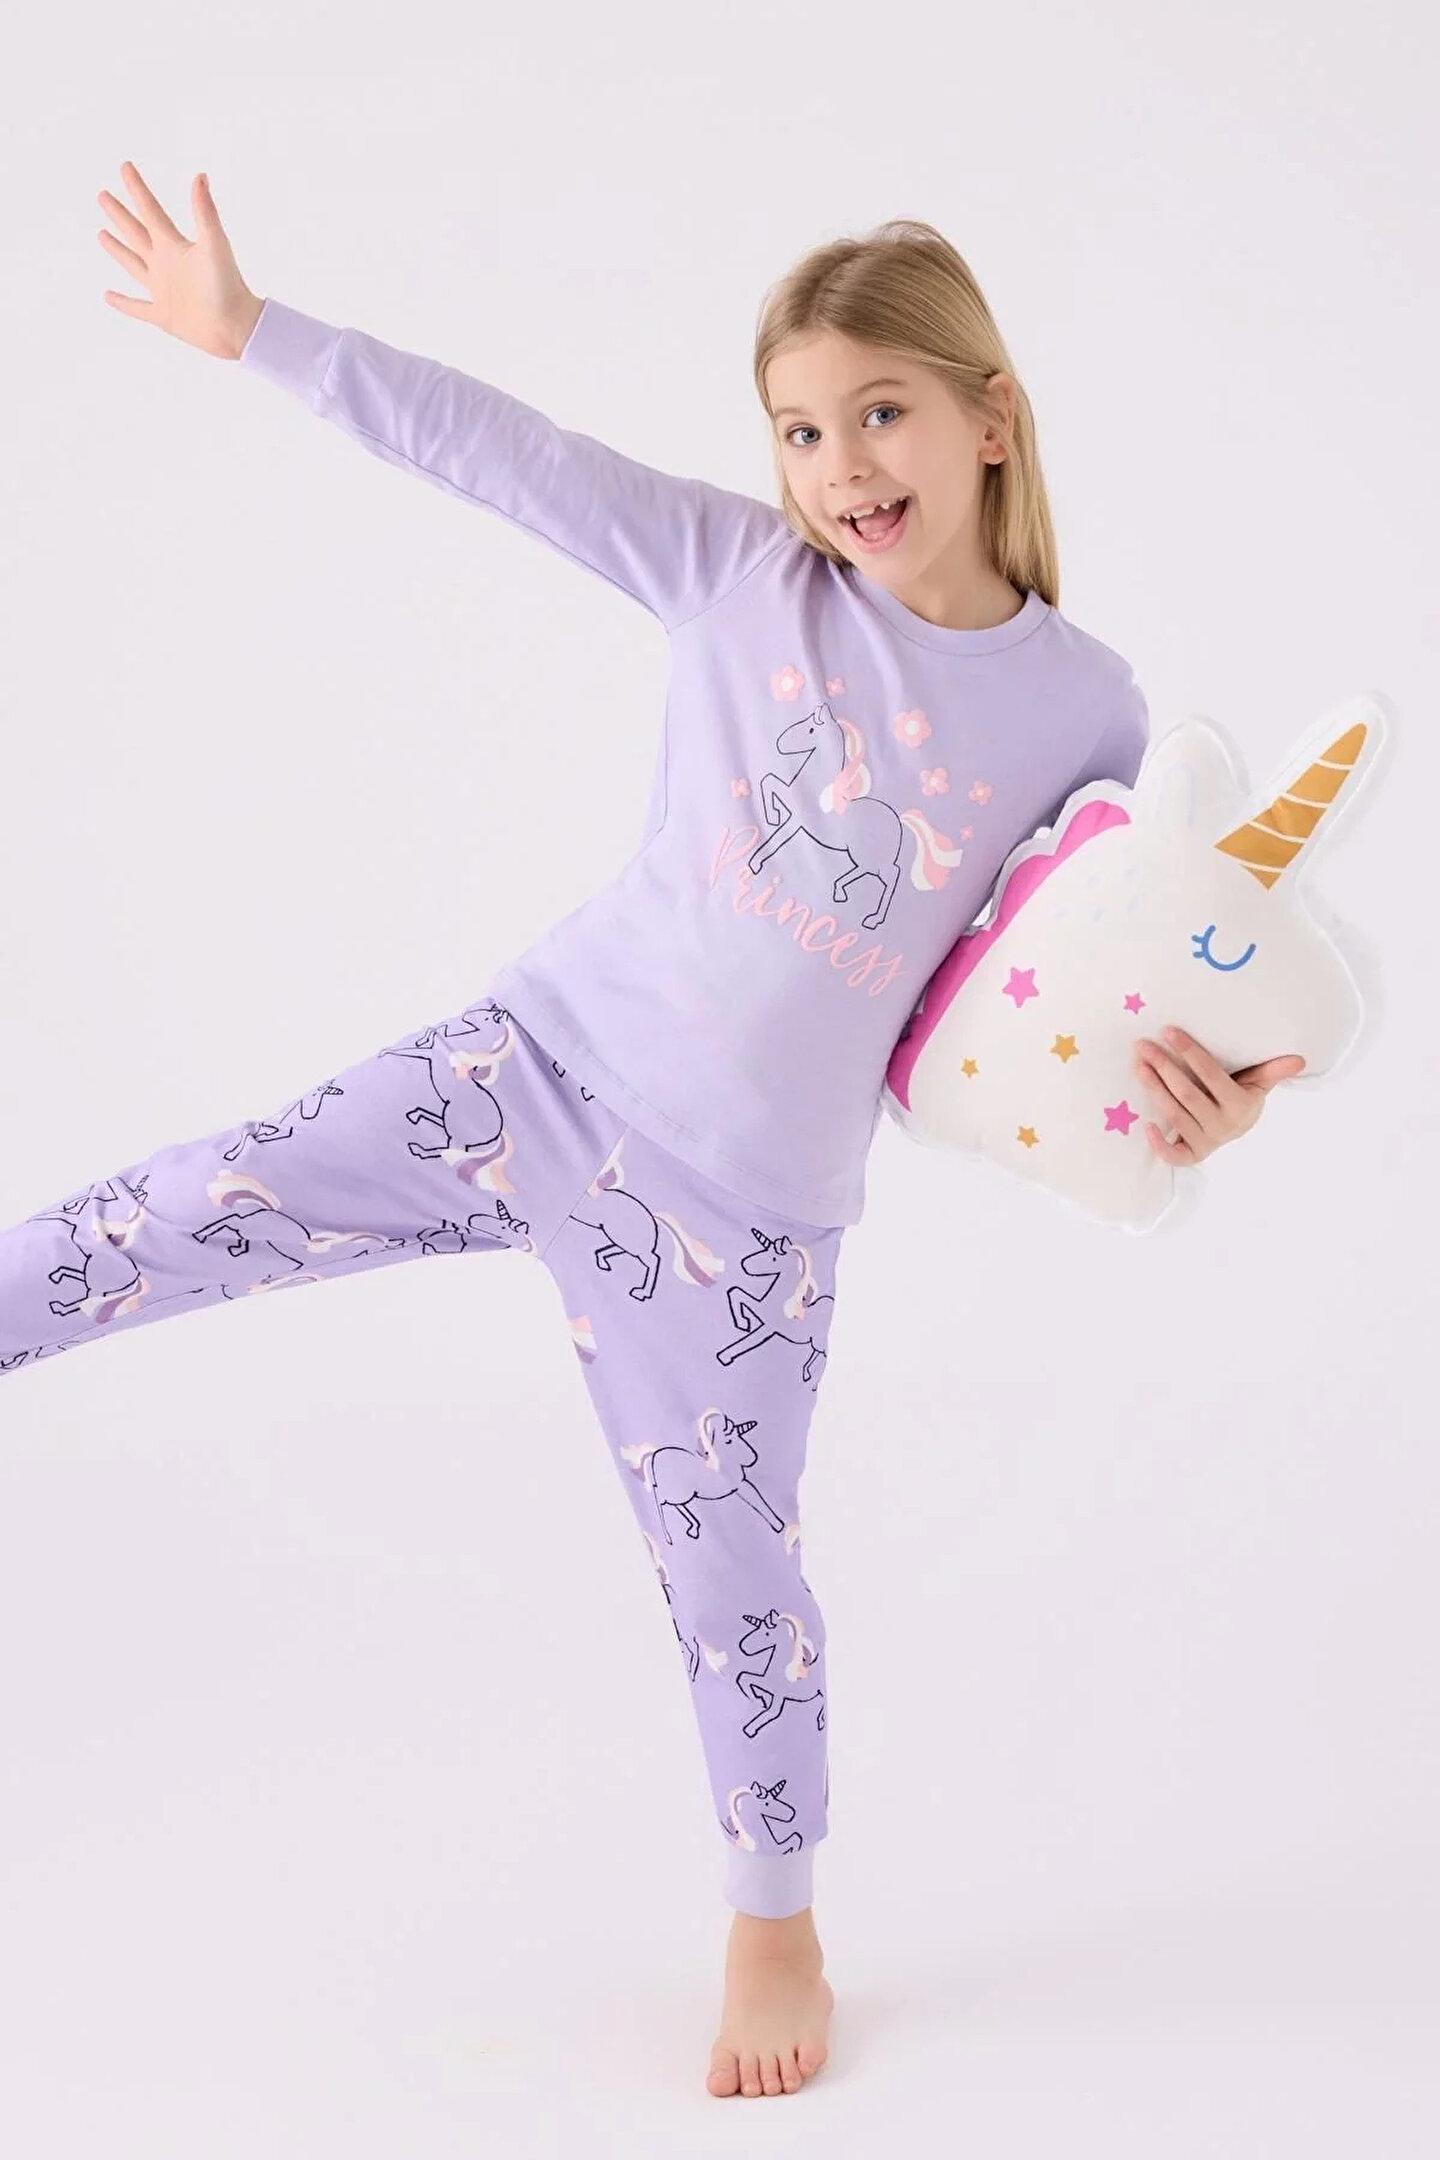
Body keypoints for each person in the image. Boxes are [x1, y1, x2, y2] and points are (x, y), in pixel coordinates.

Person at [7, 166, 1303, 2102]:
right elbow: (498, 450)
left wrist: (1210, 1098)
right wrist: (255, 332)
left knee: (736, 1586)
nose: (840, 467)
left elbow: (1087, 1003)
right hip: (528, 1074)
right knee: (204, 1199)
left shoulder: (1085, 715)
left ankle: (777, 1922)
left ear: (990, 417)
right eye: (801, 429)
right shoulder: (735, 573)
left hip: (743, 1223)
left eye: (880, 412)